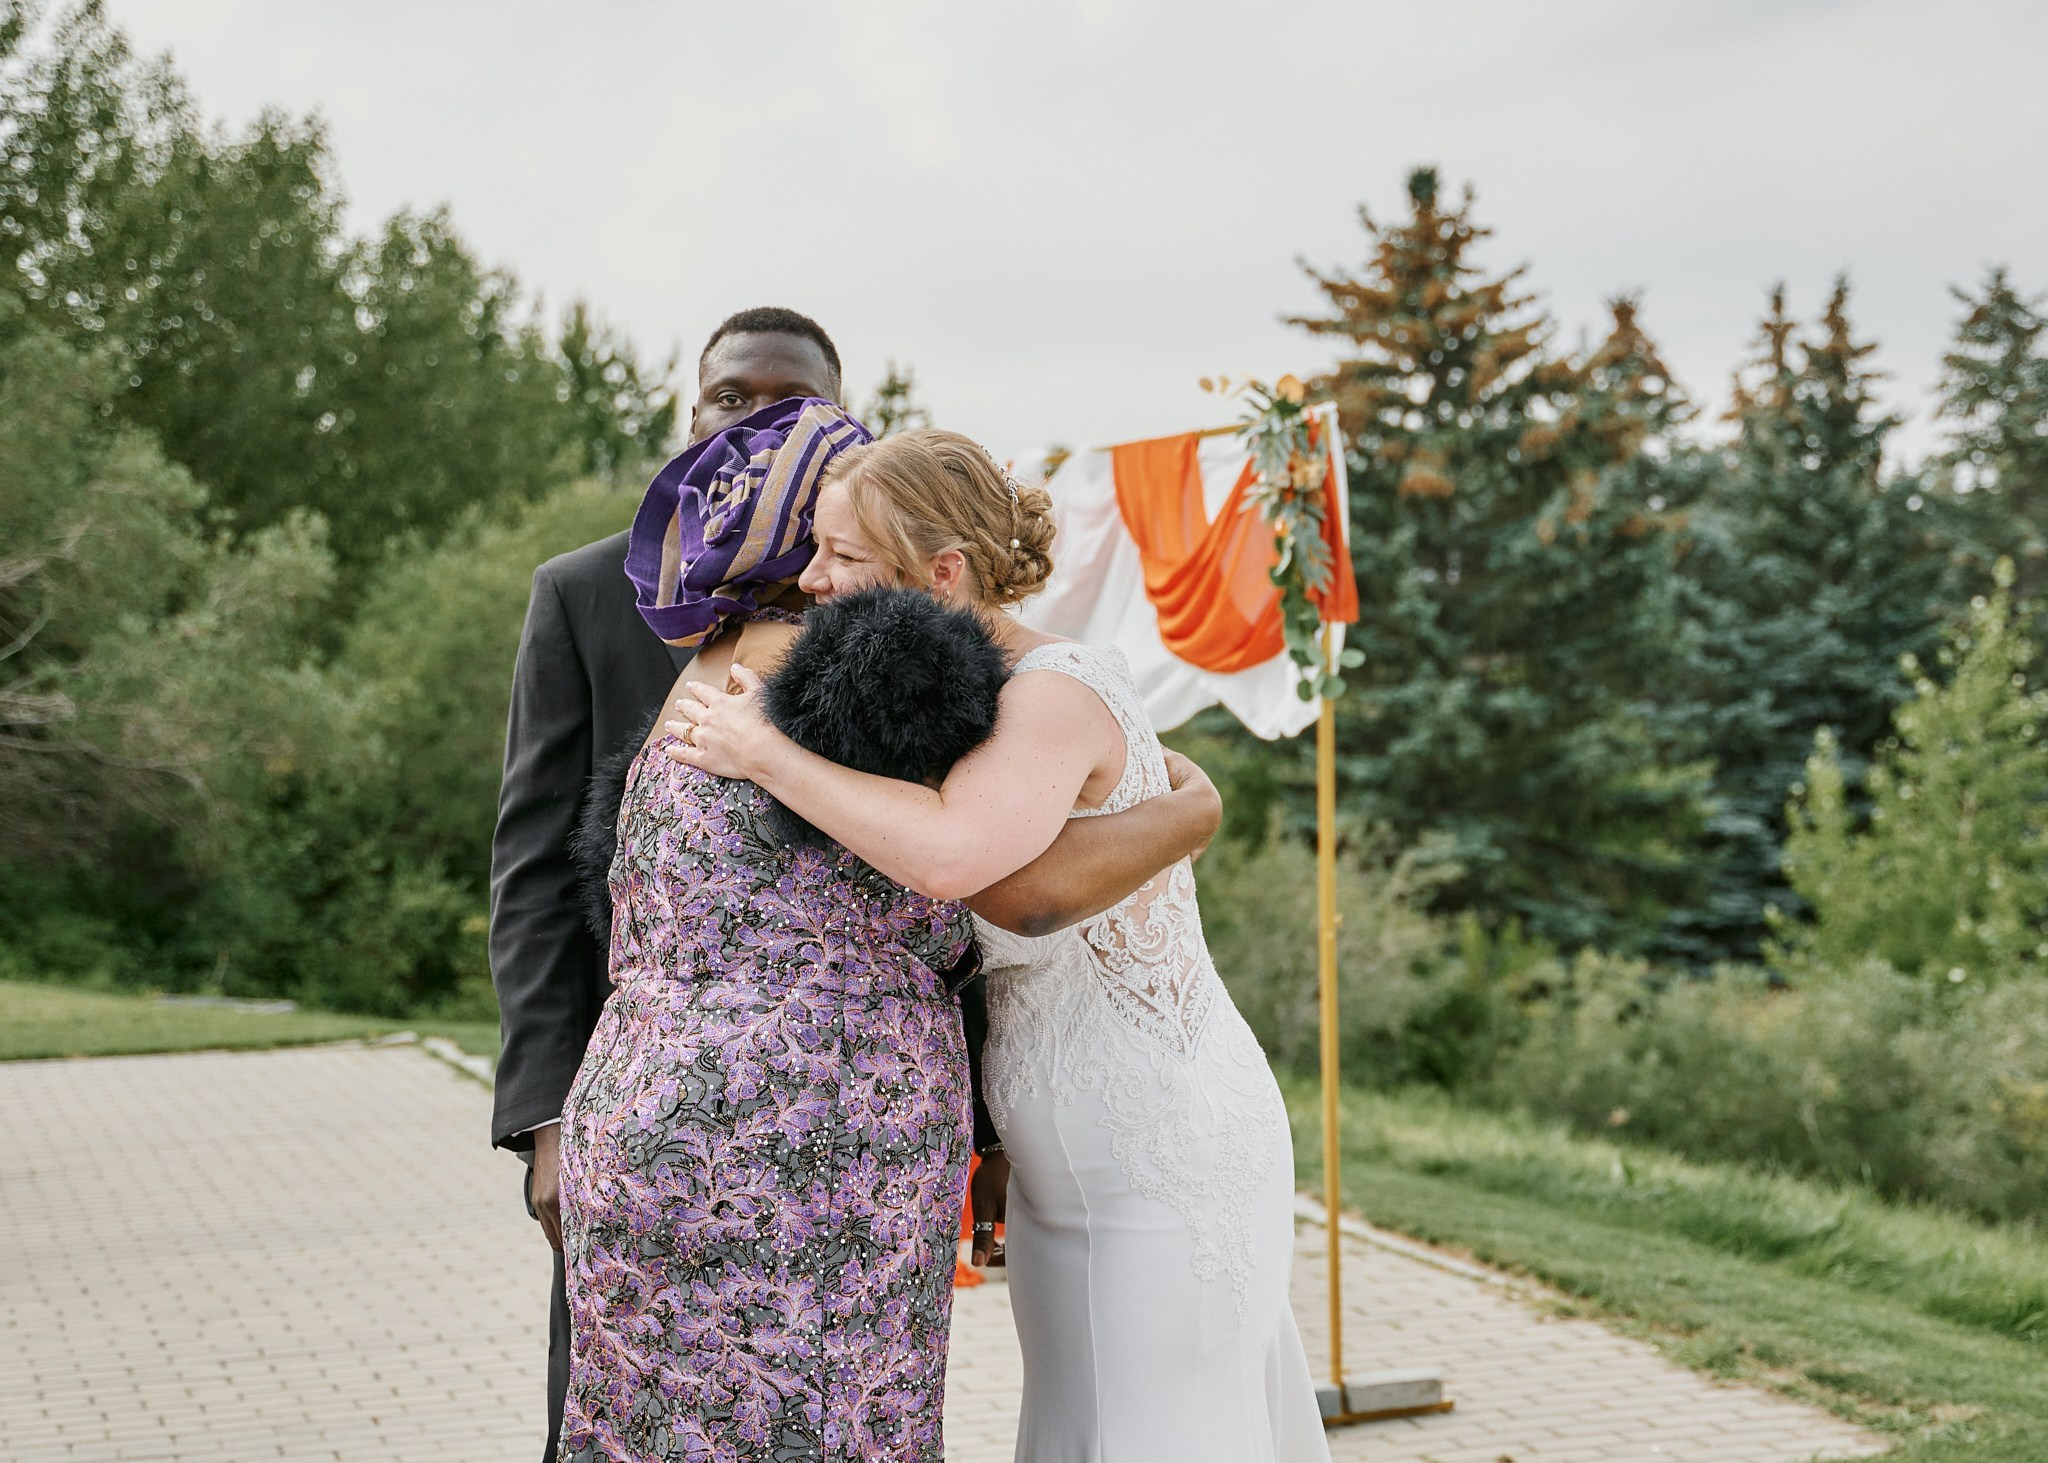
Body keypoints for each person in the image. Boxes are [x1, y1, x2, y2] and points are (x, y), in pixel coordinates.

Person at [491, 309, 1224, 1460]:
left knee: (643, 1421)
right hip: (811, 1125)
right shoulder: (883, 661)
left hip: (632, 1106)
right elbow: (978, 884)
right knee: (824, 1416)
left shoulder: (712, 661)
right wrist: (1186, 806)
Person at [671, 429, 1332, 1463]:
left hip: (1158, 1151)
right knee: (1081, 1432)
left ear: (942, 571)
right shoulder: (951, 698)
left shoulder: (1054, 689)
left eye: (843, 553)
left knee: (1163, 1434)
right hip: (1056, 1169)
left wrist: (763, 751)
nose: (812, 577)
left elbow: (964, 866)